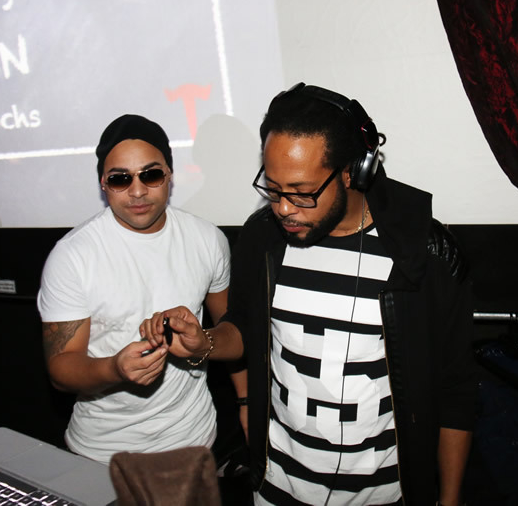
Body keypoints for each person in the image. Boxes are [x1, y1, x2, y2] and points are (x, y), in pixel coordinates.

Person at [144, 83, 477, 505]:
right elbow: (243, 329)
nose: (284, 208)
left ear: (353, 173)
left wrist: (448, 501)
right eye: (273, 188)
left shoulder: (425, 255)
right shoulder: (263, 239)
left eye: (302, 193)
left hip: (385, 496)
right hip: (276, 490)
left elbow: (455, 391)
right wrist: (204, 342)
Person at [37, 114, 238, 464]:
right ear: (103, 184)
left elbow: (234, 334)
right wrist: (114, 369)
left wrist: (203, 342)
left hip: (193, 443)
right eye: (120, 179)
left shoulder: (207, 240)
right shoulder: (73, 256)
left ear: (169, 175)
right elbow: (61, 369)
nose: (138, 190)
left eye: (151, 174)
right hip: (102, 454)